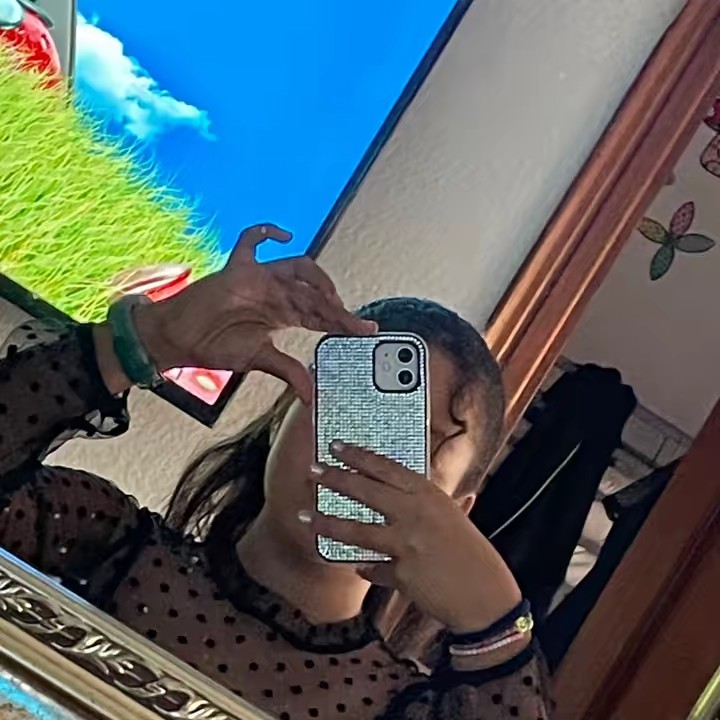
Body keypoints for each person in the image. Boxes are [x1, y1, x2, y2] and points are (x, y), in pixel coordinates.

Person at [0, 224, 552, 719]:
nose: (354, 451)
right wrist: (147, 339)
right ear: (280, 415)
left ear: (455, 514)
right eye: (344, 405)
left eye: (408, 443)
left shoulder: (401, 710)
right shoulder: (100, 542)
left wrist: (497, 620)